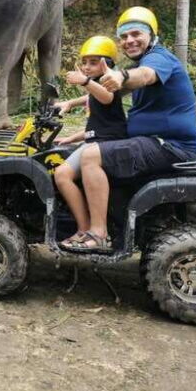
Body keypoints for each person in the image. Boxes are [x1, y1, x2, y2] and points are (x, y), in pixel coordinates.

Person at [55, 6, 196, 252]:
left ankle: (97, 233)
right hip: (152, 142)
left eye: (136, 34)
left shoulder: (158, 59)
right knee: (78, 155)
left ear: (152, 34)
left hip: (168, 145)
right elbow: (105, 93)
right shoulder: (144, 60)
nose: (129, 40)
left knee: (91, 155)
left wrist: (121, 76)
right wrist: (70, 102)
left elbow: (144, 75)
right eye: (123, 36)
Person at [53, 36, 127, 248]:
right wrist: (70, 104)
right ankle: (82, 226)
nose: (86, 67)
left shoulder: (109, 84)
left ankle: (90, 231)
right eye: (84, 62)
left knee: (62, 174)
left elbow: (106, 97)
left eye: (93, 62)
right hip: (96, 140)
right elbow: (91, 101)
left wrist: (84, 81)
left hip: (106, 144)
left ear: (107, 64)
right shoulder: (95, 87)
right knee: (61, 167)